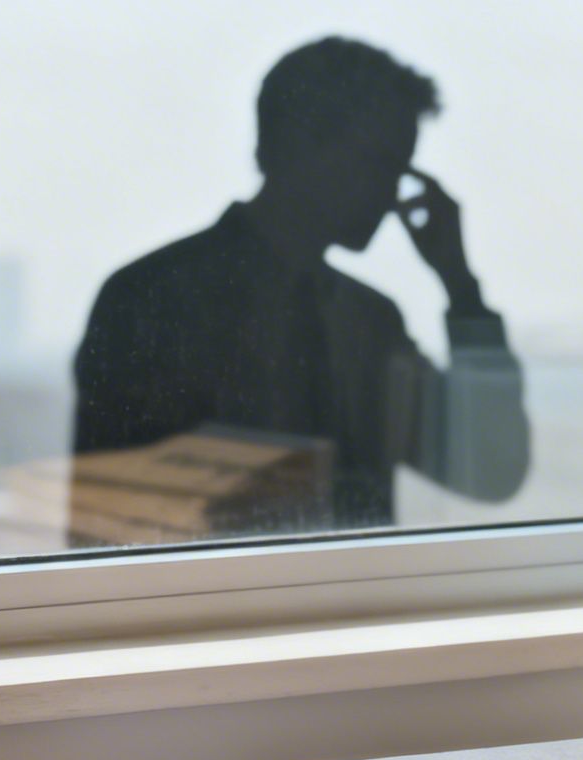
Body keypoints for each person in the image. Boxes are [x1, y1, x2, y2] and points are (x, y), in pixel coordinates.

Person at [72, 36, 530, 530]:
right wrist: (461, 293)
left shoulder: (369, 321)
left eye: (400, 171)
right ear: (298, 143)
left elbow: (492, 472)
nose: (391, 195)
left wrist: (461, 287)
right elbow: (110, 523)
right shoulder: (155, 302)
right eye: (381, 164)